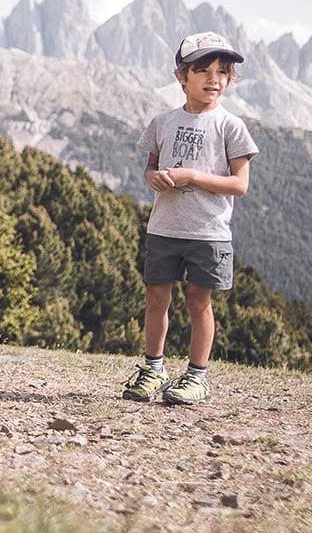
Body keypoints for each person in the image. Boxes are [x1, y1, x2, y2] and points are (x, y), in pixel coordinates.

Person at [121, 31, 260, 406]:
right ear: (181, 76)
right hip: (164, 227)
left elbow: (240, 184)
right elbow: (150, 168)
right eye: (203, 71)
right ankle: (154, 369)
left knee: (199, 300)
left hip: (208, 232)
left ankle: (197, 376)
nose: (214, 79)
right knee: (155, 297)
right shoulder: (162, 122)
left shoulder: (231, 126)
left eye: (222, 72)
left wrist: (192, 176)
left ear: (231, 79)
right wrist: (154, 177)